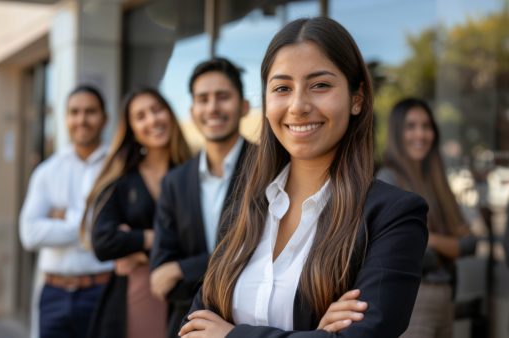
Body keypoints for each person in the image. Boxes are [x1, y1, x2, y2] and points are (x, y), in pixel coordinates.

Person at [178, 17, 429, 338]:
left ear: (357, 98)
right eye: (282, 88)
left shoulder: (393, 215)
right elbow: (194, 328)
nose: (298, 106)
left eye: (320, 85)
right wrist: (316, 334)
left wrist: (230, 335)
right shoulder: (245, 207)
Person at [150, 57, 255, 338]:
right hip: (187, 326)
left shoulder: (269, 168)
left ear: (244, 106)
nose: (212, 108)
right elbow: (162, 279)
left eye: (223, 97)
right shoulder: (174, 182)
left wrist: (183, 268)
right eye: (203, 99)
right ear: (192, 110)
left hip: (254, 326)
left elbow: (262, 257)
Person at [83, 88, 191, 338]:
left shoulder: (195, 173)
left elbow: (208, 244)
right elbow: (103, 242)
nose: (152, 120)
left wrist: (134, 245)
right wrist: (155, 240)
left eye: (157, 110)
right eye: (141, 116)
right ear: (132, 129)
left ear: (170, 114)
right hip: (137, 295)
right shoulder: (121, 180)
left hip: (189, 295)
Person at [377, 98, 477, 338]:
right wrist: (445, 244)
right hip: (412, 300)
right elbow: (406, 251)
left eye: (426, 126)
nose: (420, 134)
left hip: (446, 296)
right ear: (397, 132)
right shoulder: (388, 178)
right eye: (411, 126)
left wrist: (428, 238)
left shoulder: (436, 180)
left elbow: (470, 243)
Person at [19, 85, 113, 338]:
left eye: (90, 112)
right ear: (66, 119)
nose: (81, 119)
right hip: (53, 293)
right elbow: (29, 234)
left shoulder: (118, 168)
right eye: (74, 112)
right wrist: (90, 226)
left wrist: (60, 218)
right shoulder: (47, 171)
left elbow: (114, 234)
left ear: (105, 118)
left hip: (103, 291)